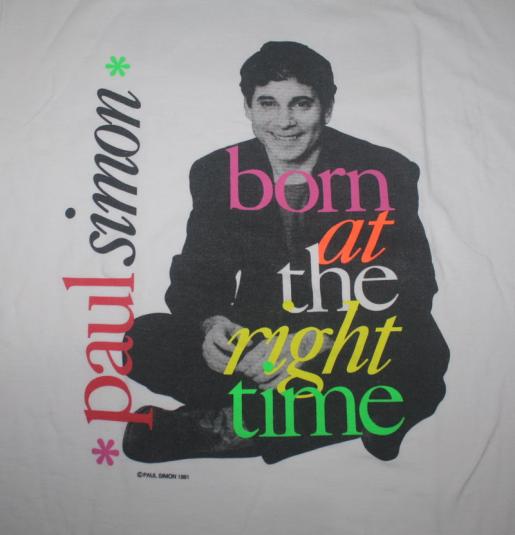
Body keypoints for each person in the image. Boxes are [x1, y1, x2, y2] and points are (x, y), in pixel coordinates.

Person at [122, 41, 449, 464]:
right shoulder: (216, 171)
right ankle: (345, 416)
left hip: (347, 341)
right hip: (260, 340)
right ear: (248, 107)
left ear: (327, 108)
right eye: (267, 104)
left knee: (420, 360)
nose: (284, 122)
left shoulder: (385, 170)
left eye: (301, 103)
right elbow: (197, 278)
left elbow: (414, 288)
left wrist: (317, 341)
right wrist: (211, 326)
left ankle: (229, 426)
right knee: (140, 339)